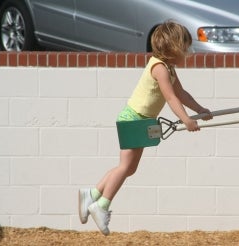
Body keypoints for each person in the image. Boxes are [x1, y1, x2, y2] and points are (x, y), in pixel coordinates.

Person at [78, 20, 212, 235]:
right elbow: (170, 97)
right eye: (185, 46)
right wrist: (186, 119)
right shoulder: (159, 67)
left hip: (140, 120)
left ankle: (91, 194)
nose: (188, 51)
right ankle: (101, 206)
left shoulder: (169, 68)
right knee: (125, 167)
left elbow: (182, 94)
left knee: (129, 168)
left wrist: (200, 109)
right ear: (173, 48)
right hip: (134, 118)